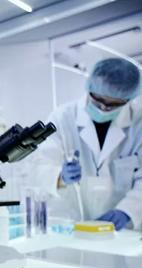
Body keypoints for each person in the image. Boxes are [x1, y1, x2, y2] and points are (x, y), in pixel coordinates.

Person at [35, 58, 142, 230]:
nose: (103, 108)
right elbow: (40, 164)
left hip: (123, 230)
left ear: (129, 99)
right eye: (98, 99)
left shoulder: (139, 123)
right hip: (71, 224)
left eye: (114, 104)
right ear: (89, 88)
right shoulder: (63, 117)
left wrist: (128, 211)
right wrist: (60, 176)